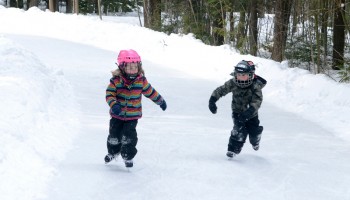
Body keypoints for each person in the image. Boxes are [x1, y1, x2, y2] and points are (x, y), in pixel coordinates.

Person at [104, 49, 167, 168]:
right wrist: (114, 104)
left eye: (135, 66)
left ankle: (128, 156)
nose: (133, 69)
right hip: (117, 115)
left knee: (129, 137)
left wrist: (160, 100)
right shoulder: (116, 81)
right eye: (129, 67)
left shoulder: (141, 81)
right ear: (122, 67)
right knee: (114, 135)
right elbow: (109, 94)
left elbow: (150, 92)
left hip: (132, 116)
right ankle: (113, 152)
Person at [208, 60, 266, 158]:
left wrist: (250, 111)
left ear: (250, 75)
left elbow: (257, 101)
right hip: (237, 112)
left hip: (251, 115)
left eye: (243, 75)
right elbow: (221, 90)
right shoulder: (233, 83)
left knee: (254, 133)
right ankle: (232, 150)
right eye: (238, 75)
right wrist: (212, 100)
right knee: (238, 130)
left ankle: (255, 140)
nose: (240, 77)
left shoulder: (255, 86)